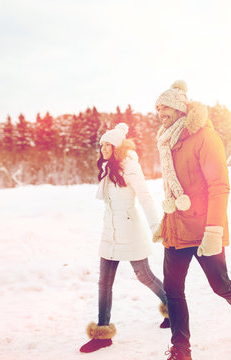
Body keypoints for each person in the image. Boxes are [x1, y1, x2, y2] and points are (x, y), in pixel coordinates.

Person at [152, 81, 231, 360]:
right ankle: (180, 350)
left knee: (220, 285)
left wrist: (214, 230)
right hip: (176, 228)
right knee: (173, 290)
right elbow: (172, 187)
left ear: (179, 108)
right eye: (158, 108)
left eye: (165, 107)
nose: (160, 111)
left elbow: (218, 186)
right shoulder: (166, 140)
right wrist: (164, 221)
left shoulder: (204, 137)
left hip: (203, 228)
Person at [79, 123, 169, 354]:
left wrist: (155, 226)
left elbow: (146, 197)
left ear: (116, 146)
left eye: (106, 145)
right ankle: (102, 332)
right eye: (101, 145)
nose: (102, 149)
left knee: (144, 275)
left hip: (130, 230)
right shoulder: (109, 168)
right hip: (110, 232)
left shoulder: (130, 166)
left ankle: (174, 309)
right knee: (104, 283)